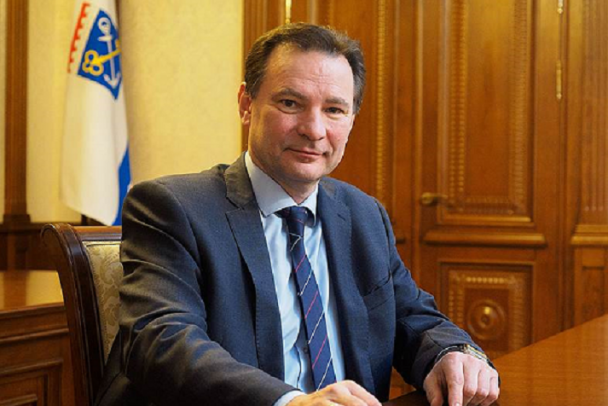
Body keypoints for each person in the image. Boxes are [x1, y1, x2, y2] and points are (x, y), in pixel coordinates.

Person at [96, 23, 500, 406]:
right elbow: (161, 341)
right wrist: (290, 401)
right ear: (246, 105)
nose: (314, 129)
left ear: (351, 121)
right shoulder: (172, 207)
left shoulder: (363, 215)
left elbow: (412, 317)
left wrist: (452, 353)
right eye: (291, 103)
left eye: (334, 110)